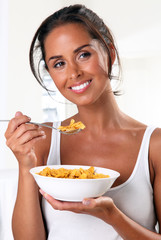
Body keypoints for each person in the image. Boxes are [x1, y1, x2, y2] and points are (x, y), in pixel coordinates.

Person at [5, 4, 161, 240]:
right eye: (59, 64)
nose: (74, 72)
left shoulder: (154, 145)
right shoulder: (42, 143)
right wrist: (26, 165)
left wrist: (112, 215)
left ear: (110, 52)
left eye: (83, 55)